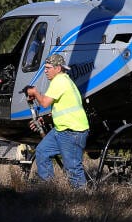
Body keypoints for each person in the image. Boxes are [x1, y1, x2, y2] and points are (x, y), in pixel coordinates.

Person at [24, 54, 89, 188]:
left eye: (48, 68)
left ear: (58, 68)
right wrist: (45, 118)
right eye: (45, 68)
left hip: (72, 131)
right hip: (61, 130)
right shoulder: (62, 80)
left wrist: (35, 92)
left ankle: (82, 201)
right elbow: (61, 106)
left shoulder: (60, 81)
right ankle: (49, 189)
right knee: (42, 151)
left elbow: (45, 103)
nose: (46, 71)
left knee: (73, 168)